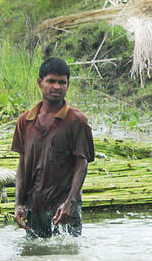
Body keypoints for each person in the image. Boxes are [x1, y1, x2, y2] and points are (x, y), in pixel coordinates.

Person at [11, 58, 95, 239]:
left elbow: (82, 164)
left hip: (64, 206)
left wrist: (70, 202)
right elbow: (22, 165)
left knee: (69, 255)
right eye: (51, 81)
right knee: (34, 255)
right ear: (40, 83)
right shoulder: (25, 121)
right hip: (35, 205)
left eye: (62, 82)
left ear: (68, 85)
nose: (56, 87)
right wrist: (19, 204)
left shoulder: (76, 121)